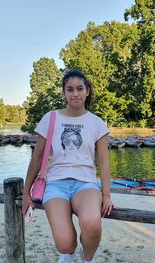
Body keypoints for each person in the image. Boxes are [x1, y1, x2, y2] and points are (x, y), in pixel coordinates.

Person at [22, 70, 114, 263]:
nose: (75, 93)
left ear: (87, 91)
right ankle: (70, 252)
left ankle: (87, 258)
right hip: (55, 184)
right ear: (64, 93)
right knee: (65, 244)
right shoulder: (50, 118)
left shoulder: (97, 123)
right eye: (70, 89)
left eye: (80, 89)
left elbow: (104, 161)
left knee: (92, 223)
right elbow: (37, 157)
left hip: (85, 184)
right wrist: (25, 193)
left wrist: (106, 195)